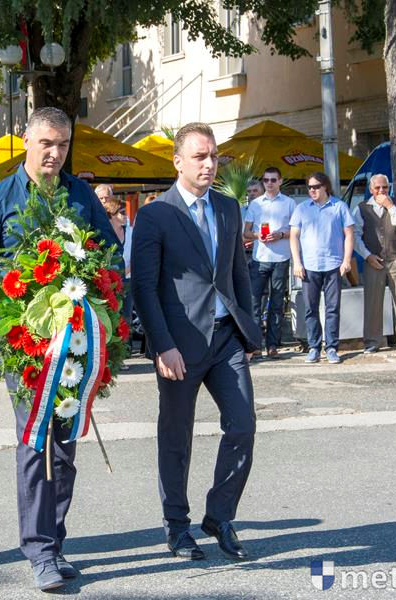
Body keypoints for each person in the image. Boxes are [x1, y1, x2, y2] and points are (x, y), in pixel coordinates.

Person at [0, 107, 120, 591]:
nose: (54, 153)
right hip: (24, 339)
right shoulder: (1, 196)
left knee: (65, 442)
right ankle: (39, 550)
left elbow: (109, 251)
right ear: (26, 141)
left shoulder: (80, 194)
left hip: (75, 336)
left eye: (63, 144)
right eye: (46, 143)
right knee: (36, 440)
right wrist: (21, 279)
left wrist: (98, 284)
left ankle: (55, 540)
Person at [131, 122, 262, 564]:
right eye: (200, 157)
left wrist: (248, 331)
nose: (209, 164)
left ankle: (220, 516)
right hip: (179, 344)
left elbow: (238, 272)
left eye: (214, 156)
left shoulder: (228, 208)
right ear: (178, 162)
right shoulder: (155, 214)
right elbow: (144, 287)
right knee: (176, 437)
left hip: (226, 339)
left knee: (242, 426)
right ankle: (177, 526)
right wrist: (161, 344)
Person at [353, 174, 396, 355]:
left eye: (384, 187)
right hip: (373, 260)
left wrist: (390, 207)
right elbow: (355, 236)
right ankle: (372, 341)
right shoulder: (361, 208)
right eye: (377, 188)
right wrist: (367, 256)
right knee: (373, 301)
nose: (381, 191)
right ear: (371, 190)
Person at [289, 172, 355, 364]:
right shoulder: (302, 209)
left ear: (325, 186)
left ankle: (332, 347)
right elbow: (293, 236)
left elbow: (349, 234)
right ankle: (314, 347)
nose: (312, 190)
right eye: (309, 187)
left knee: (333, 308)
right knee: (310, 309)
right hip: (309, 266)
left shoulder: (339, 207)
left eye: (316, 186)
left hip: (333, 264)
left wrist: (346, 260)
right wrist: (297, 262)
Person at [243, 167, 296, 359]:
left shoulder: (289, 203)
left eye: (273, 180)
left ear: (280, 181)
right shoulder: (255, 204)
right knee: (254, 303)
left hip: (281, 258)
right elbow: (246, 232)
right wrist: (258, 235)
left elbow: (296, 231)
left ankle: (273, 345)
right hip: (260, 258)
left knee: (277, 303)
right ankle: (255, 344)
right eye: (266, 180)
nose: (270, 183)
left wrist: (280, 234)